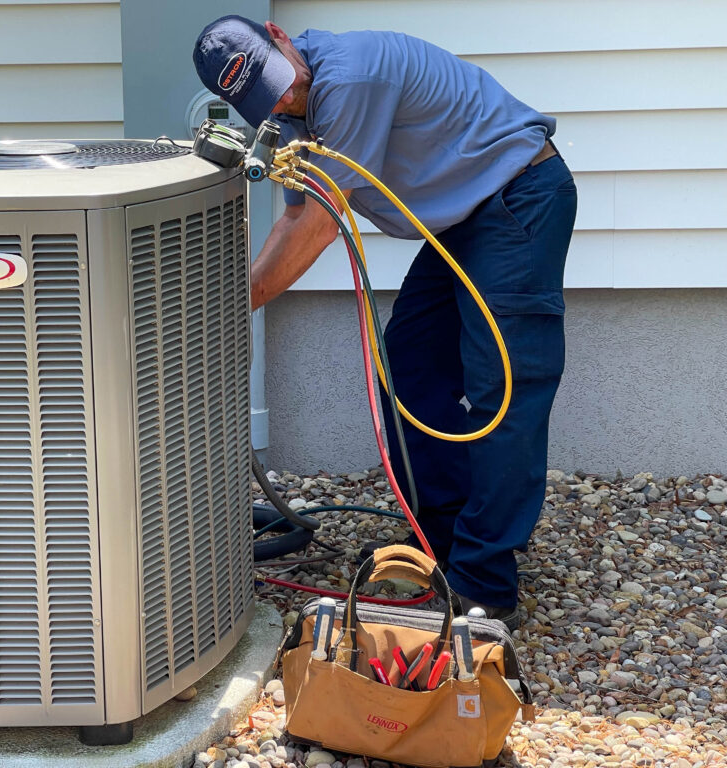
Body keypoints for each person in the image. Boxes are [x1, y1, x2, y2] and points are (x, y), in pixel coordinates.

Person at [193, 15, 577, 630]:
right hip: (463, 220)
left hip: (518, 196)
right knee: (407, 375)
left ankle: (485, 582)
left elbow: (318, 222)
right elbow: (294, 217)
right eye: (267, 99)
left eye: (282, 81)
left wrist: (224, 312)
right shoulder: (289, 105)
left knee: (503, 391)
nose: (286, 99)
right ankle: (446, 543)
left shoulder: (351, 78)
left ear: (279, 33)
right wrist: (233, 297)